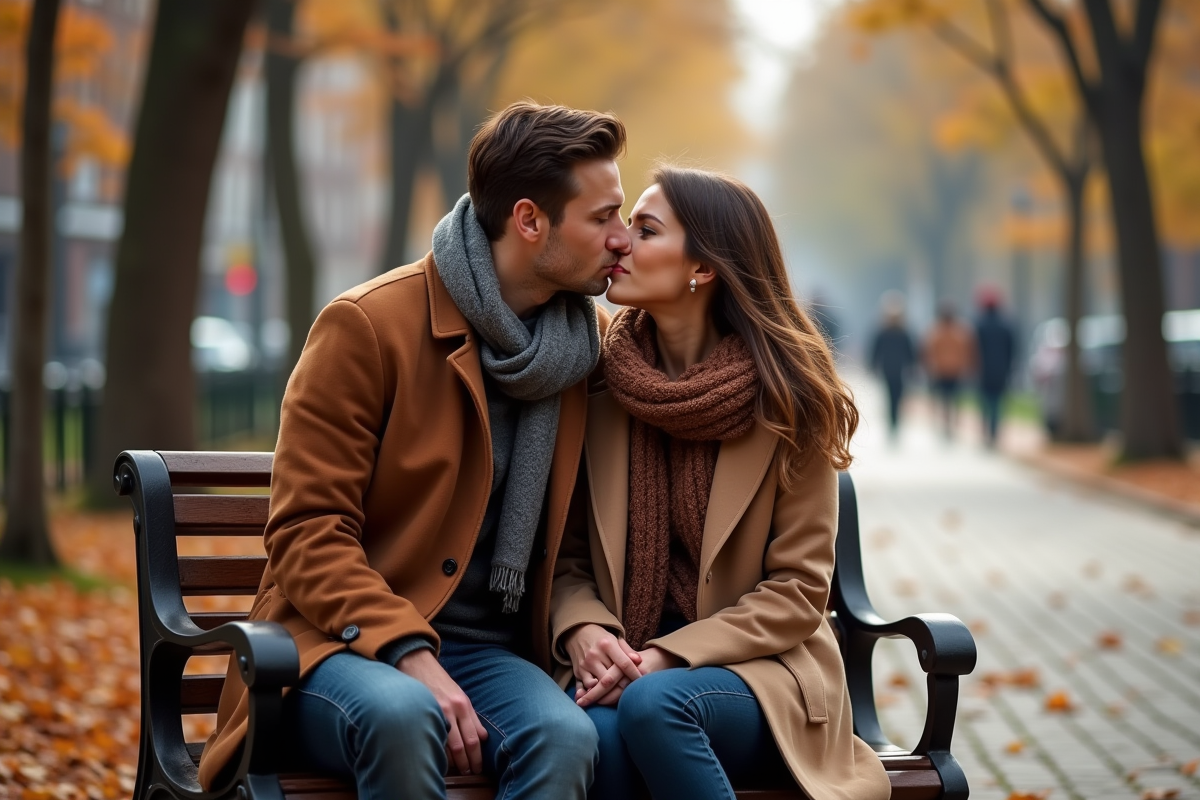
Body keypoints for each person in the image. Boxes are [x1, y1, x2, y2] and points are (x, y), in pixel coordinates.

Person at [198, 101, 632, 800]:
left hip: (490, 654)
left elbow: (577, 541)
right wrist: (409, 653)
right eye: (602, 217)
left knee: (565, 738)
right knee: (404, 715)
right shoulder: (367, 327)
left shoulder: (585, 352)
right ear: (529, 221)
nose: (623, 239)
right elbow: (306, 532)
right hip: (331, 646)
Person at [550, 167, 890, 800]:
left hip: (763, 677)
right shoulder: (594, 391)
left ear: (701, 269)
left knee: (654, 707)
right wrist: (585, 630)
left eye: (645, 230)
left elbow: (797, 590)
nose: (619, 241)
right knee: (597, 733)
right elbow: (567, 560)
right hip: (628, 669)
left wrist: (666, 658)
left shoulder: (789, 402)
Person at [923, 300, 976, 440]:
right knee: (952, 399)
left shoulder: (935, 331)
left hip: (942, 371)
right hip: (953, 370)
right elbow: (967, 352)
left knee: (944, 399)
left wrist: (930, 366)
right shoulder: (960, 332)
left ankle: (946, 424)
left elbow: (929, 352)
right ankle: (950, 424)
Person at [869, 292, 916, 440]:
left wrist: (873, 365)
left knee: (894, 398)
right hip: (894, 370)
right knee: (894, 397)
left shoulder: (890, 332)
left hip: (892, 369)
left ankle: (893, 423)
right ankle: (893, 424)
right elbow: (876, 351)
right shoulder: (895, 332)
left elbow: (910, 352)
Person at [975, 286, 1016, 448]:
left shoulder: (978, 325)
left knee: (985, 402)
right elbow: (1012, 349)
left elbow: (974, 349)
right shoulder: (1006, 325)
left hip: (983, 370)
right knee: (997, 403)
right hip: (1001, 370)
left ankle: (986, 432)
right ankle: (994, 432)